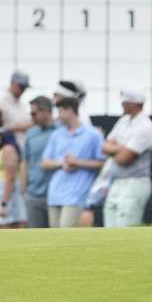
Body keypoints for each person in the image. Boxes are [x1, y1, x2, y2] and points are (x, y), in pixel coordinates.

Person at [40, 98, 104, 228]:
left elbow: (102, 163)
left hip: (77, 194)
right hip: (55, 194)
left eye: (61, 111)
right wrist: (61, 163)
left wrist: (77, 162)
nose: (58, 115)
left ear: (70, 110)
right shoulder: (56, 134)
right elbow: (45, 163)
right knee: (55, 237)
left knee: (66, 233)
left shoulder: (93, 134)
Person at [101, 90, 152, 227]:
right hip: (117, 182)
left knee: (125, 231)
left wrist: (115, 150)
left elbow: (124, 159)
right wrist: (121, 148)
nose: (122, 104)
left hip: (135, 184)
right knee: (110, 231)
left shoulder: (145, 126)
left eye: (125, 101)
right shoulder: (123, 121)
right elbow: (104, 147)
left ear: (135, 104)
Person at [0, 111, 26, 229]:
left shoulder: (8, 149)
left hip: (6, 194)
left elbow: (10, 177)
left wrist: (4, 203)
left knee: (5, 227)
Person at [22, 96, 56, 228]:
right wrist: (24, 189)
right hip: (34, 194)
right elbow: (25, 161)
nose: (32, 117)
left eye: (34, 113)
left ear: (46, 111)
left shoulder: (62, 131)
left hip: (56, 195)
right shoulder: (30, 133)